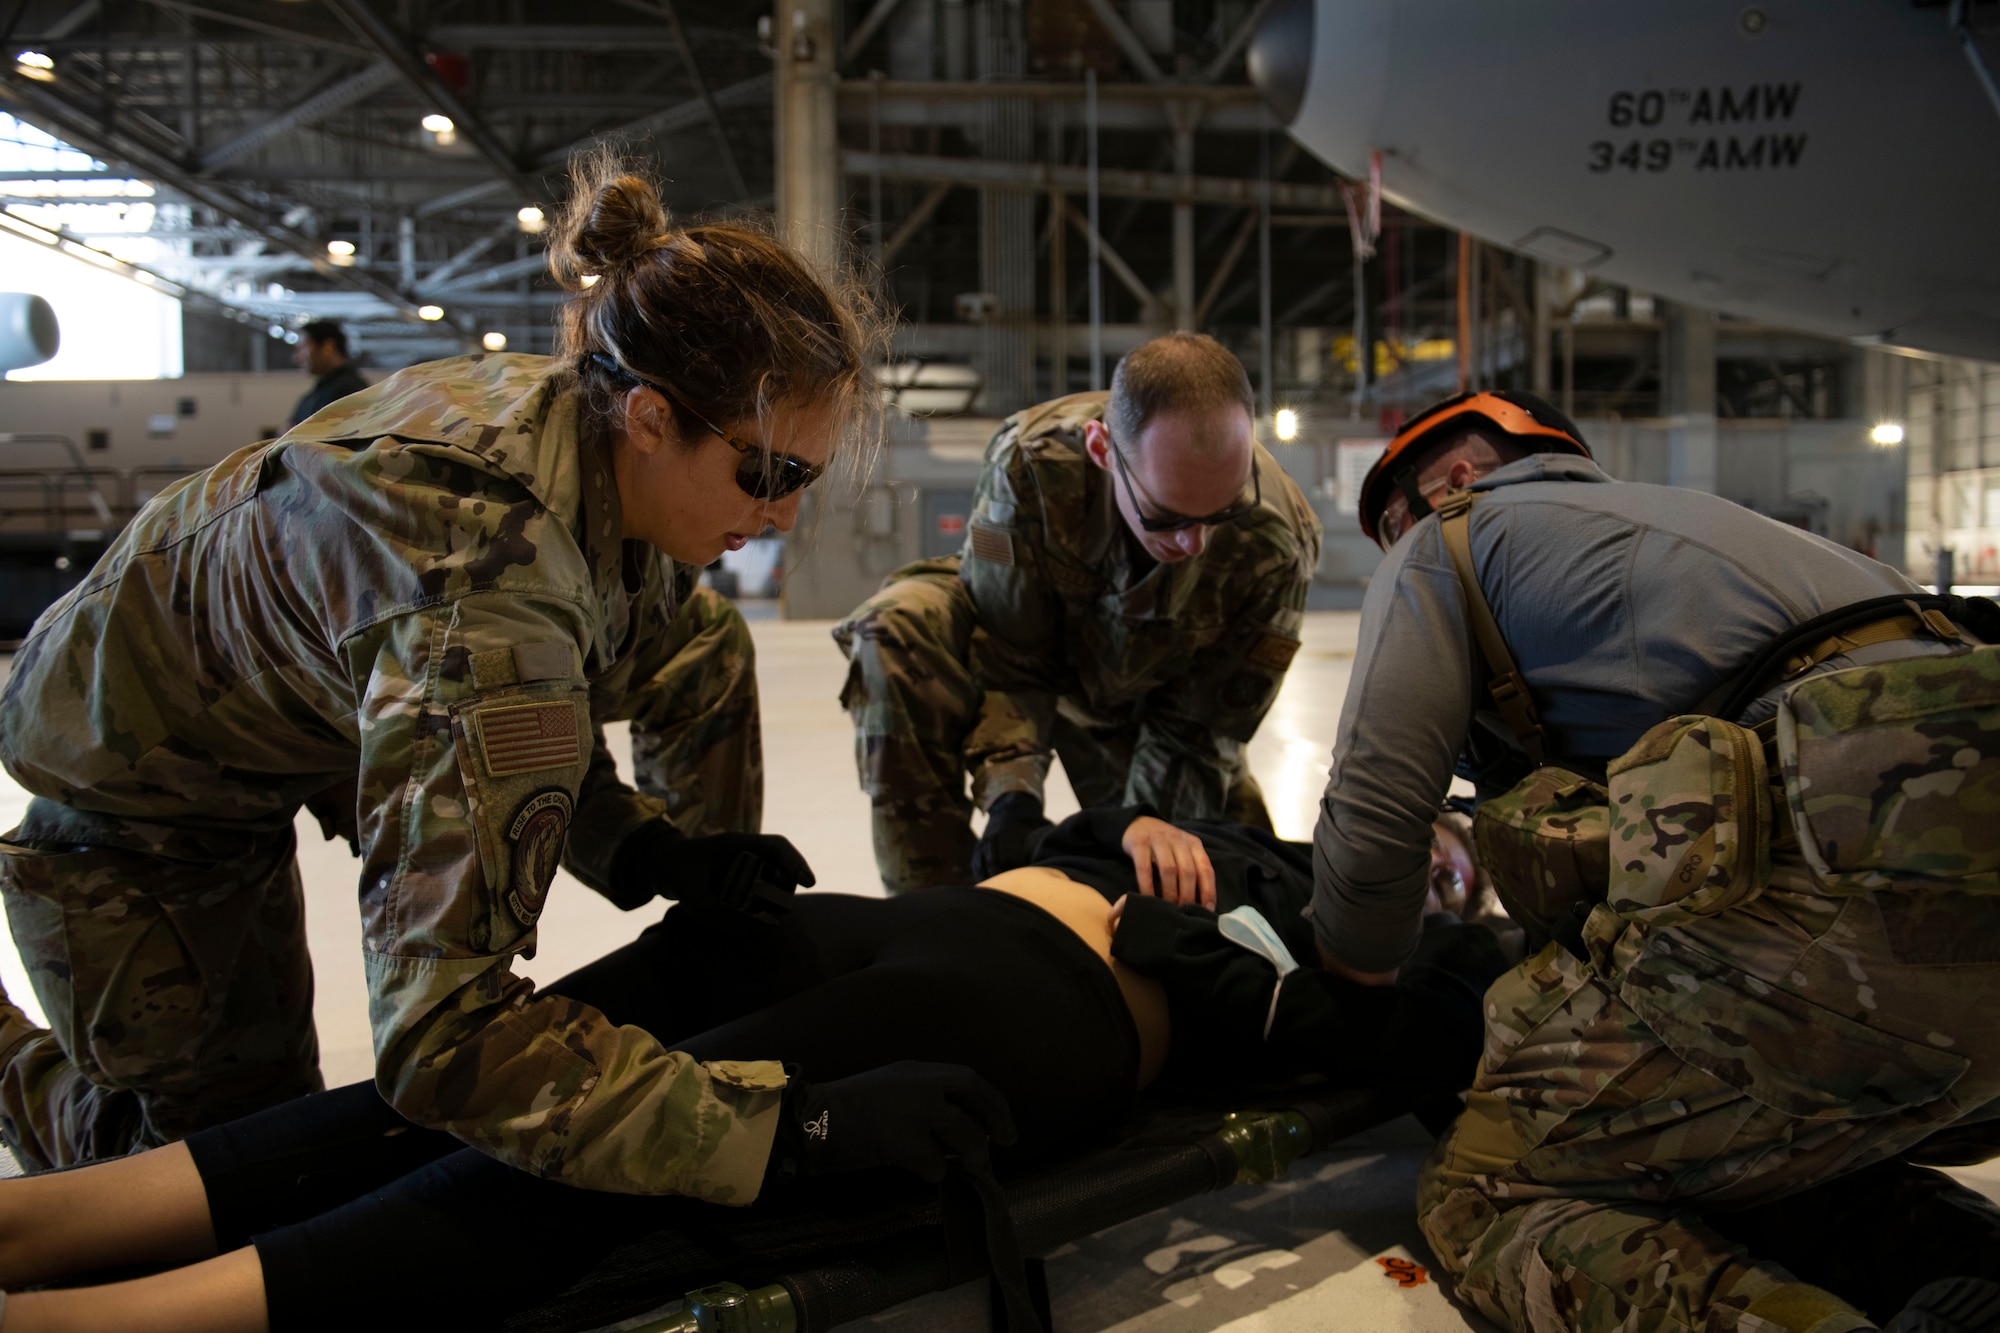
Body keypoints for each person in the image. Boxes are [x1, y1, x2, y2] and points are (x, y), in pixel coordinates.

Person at [0, 160, 976, 1203]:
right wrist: (781, 1136)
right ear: (649, 418)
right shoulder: (480, 588)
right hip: (141, 774)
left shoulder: (592, 448)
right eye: (768, 474)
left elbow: (583, 687)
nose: (783, 516)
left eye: (804, 480)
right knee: (218, 1180)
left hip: (312, 696)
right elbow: (444, 1042)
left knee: (702, 644)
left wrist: (653, 852)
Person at [0, 808, 1508, 1333]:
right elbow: (1036, 826)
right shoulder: (1257, 838)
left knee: (598, 1159)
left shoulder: (1416, 962)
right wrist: (1118, 826)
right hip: (904, 925)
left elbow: (1420, 1050)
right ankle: (56, 1222)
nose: (1431, 859)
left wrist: (1252, 980)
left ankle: (111, 1316)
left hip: (1035, 1016)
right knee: (502, 1071)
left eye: (1456, 861)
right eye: (1425, 828)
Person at [1308, 389, 2000, 1332]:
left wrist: (1353, 987)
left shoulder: (1444, 540)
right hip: (1956, 964)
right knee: (1753, 1135)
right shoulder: (1713, 536)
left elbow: (1374, 816)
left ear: (1453, 477)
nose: (1397, 547)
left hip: (1851, 903)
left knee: (1491, 1184)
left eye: (1390, 525)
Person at [835, 332, 1323, 894]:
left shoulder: (1278, 542)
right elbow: (1011, 655)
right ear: (1102, 451)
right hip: (1037, 646)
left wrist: (1136, 836)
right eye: (1168, 517)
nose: (1196, 543)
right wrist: (1011, 801)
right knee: (897, 625)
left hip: (1157, 701)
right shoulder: (1032, 464)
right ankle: (932, 910)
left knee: (1237, 891)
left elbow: (1199, 732)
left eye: (1222, 513)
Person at [286, 320, 370, 429]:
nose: (297, 357)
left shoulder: (349, 389)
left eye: (303, 347)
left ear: (327, 346)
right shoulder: (323, 389)